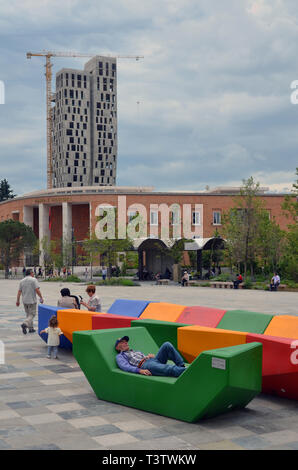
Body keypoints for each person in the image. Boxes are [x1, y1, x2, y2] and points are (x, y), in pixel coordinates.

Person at [115, 336, 186, 377]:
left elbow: (145, 358)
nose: (126, 343)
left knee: (167, 345)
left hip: (153, 361)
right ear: (117, 348)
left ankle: (181, 366)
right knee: (168, 368)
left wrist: (149, 356)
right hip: (145, 365)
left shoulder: (136, 351)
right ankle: (187, 372)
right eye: (122, 342)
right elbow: (125, 367)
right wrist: (139, 370)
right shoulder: (120, 356)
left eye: (126, 341)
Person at [16, 268, 44, 334]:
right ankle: (25, 324)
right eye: (33, 273)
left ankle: (31, 328)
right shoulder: (33, 280)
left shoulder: (22, 281)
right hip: (32, 300)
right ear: (31, 273)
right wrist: (41, 297)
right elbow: (37, 289)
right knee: (32, 314)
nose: (33, 274)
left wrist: (18, 300)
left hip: (25, 300)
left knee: (28, 314)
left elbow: (19, 291)